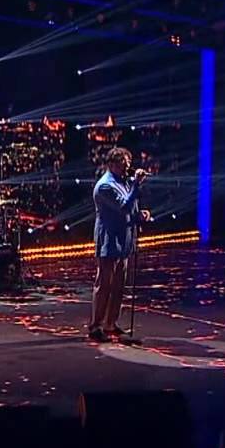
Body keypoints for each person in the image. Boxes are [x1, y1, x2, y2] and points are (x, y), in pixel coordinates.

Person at [90, 147, 149, 342]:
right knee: (104, 285)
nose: (127, 167)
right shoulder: (105, 186)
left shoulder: (123, 182)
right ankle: (96, 326)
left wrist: (139, 215)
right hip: (109, 241)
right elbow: (123, 206)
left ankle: (110, 323)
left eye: (128, 164)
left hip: (123, 241)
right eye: (124, 164)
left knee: (118, 286)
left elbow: (130, 208)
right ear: (112, 164)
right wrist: (136, 185)